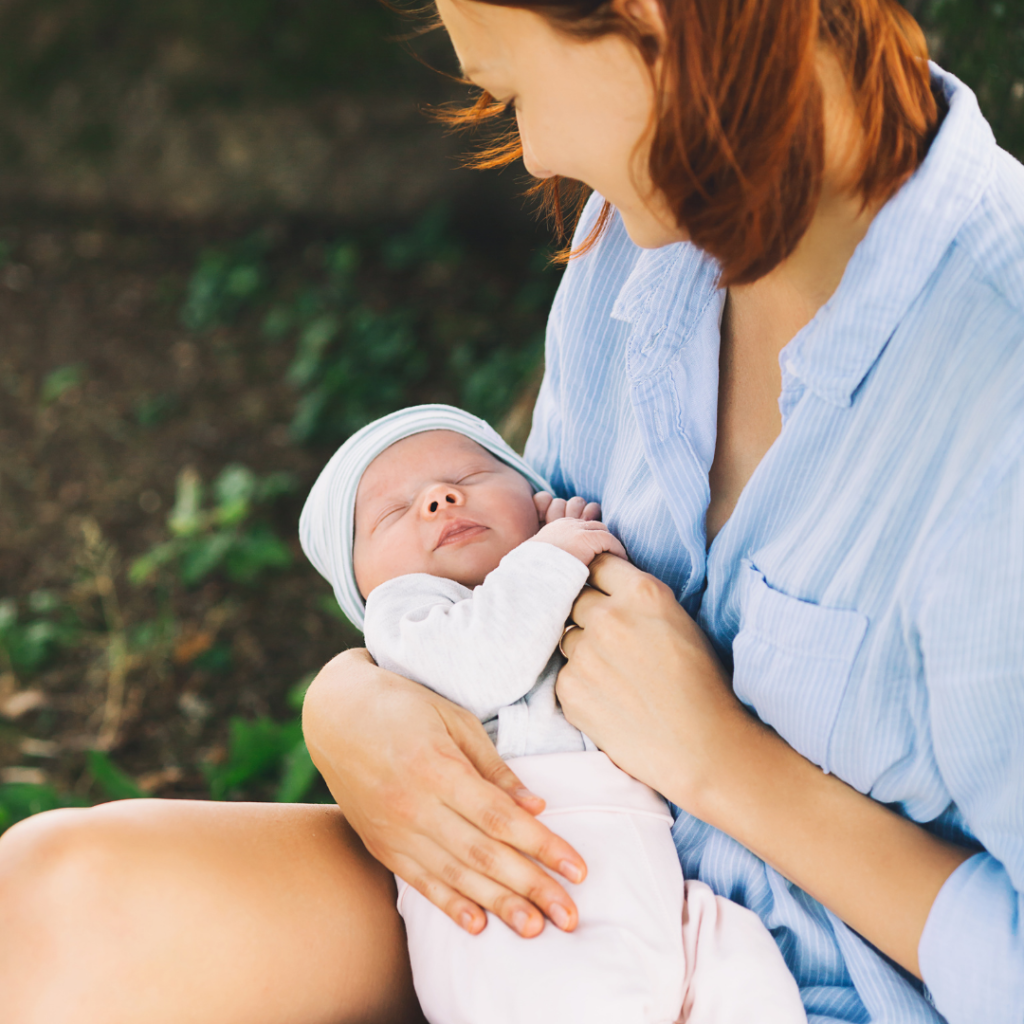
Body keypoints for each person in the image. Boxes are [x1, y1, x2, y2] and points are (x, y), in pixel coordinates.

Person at [0, 0, 1021, 1021]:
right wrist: (353, 702)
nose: (532, 153)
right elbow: (508, 586)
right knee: (58, 901)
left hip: (794, 987)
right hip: (547, 909)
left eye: (514, 91)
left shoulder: (996, 388)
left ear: (650, 16)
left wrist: (724, 763)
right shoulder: (641, 243)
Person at [297, 402, 806, 1023]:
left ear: (533, 494)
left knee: (735, 957)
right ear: (360, 587)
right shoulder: (405, 619)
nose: (438, 498)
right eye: (392, 512)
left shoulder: (547, 579)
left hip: (646, 871)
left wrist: (561, 555)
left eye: (470, 476)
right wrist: (552, 554)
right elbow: (482, 661)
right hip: (514, 896)